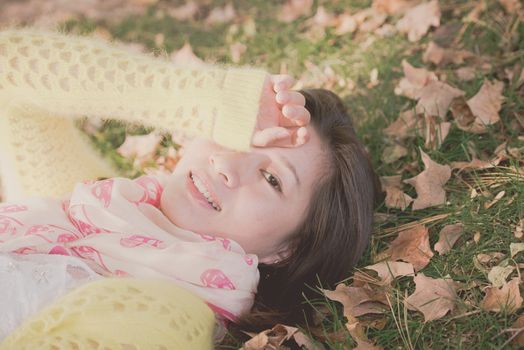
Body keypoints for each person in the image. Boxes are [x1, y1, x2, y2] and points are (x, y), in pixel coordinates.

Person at [0, 27, 381, 349]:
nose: (227, 165)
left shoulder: (169, 309)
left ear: (286, 251)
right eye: (237, 137)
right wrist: (211, 102)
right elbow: (10, 66)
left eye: (271, 178)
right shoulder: (83, 202)